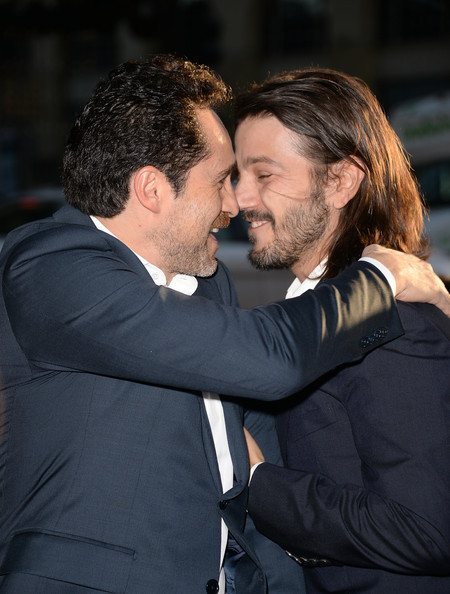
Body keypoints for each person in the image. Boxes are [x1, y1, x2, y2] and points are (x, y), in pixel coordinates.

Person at [0, 57, 446, 594]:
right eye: (224, 178)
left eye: (261, 175)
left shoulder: (212, 286)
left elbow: (242, 494)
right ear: (152, 189)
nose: (235, 202)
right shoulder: (52, 262)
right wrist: (382, 274)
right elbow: (270, 359)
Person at [235, 67, 450, 593]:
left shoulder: (392, 325)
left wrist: (261, 485)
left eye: (263, 175)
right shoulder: (326, 310)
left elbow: (427, 530)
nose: (240, 199)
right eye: (235, 176)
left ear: (340, 181)